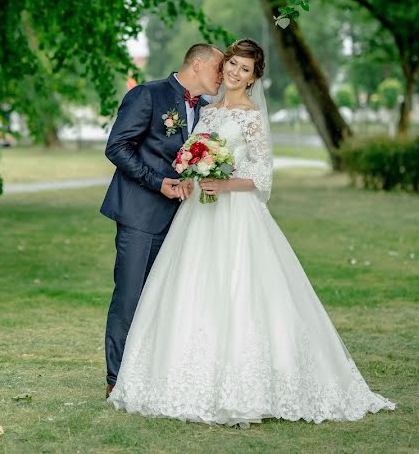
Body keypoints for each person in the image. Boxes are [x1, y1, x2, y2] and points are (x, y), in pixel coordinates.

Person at [108, 39, 395, 426]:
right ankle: (135, 376)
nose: (234, 73)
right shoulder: (204, 112)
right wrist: (193, 175)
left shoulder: (252, 117)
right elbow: (169, 154)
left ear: (254, 76)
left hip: (235, 215)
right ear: (218, 66)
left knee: (238, 292)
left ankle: (243, 382)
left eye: (245, 69)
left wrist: (223, 184)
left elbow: (262, 176)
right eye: (231, 65)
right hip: (191, 217)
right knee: (180, 292)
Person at [100, 43, 225, 398]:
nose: (222, 76)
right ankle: (117, 380)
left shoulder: (206, 111)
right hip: (139, 214)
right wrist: (158, 182)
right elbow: (117, 147)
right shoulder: (148, 95)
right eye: (218, 68)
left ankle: (152, 372)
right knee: (129, 298)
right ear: (198, 65)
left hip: (184, 222)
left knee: (166, 299)